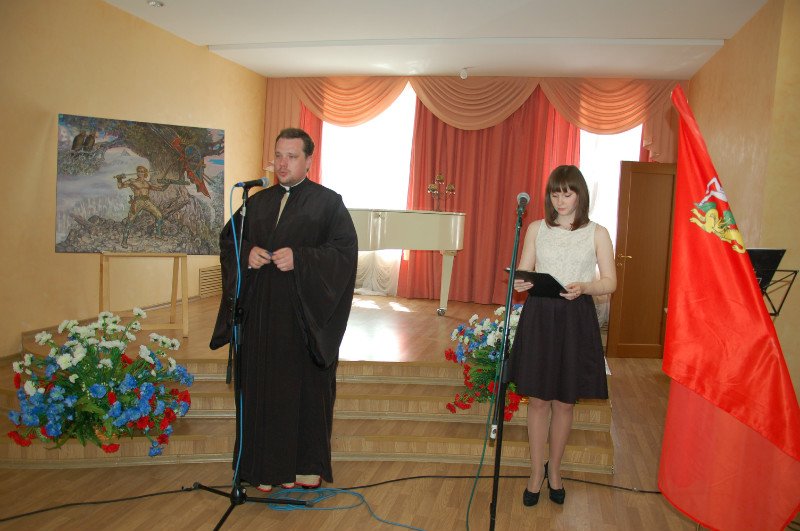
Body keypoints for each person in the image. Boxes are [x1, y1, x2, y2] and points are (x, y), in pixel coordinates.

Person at [210, 128, 358, 492]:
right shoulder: (257, 201)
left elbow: (344, 254)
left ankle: (305, 468)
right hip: (261, 317)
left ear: (308, 160)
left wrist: (302, 258)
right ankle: (263, 468)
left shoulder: (328, 203)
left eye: (292, 156)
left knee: (303, 392)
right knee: (262, 392)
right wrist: (247, 253)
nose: (282, 163)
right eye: (278, 155)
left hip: (303, 319)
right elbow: (230, 241)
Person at [507, 165, 616, 507]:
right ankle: (535, 473)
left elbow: (610, 282)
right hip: (540, 315)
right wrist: (521, 281)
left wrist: (585, 286)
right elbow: (525, 270)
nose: (561, 200)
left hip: (575, 317)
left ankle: (555, 470)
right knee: (539, 400)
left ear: (580, 195)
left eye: (567, 193)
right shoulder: (536, 228)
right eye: (555, 194)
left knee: (565, 402)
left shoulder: (598, 232)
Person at [115, 166, 168, 247]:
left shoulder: (148, 183)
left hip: (147, 201)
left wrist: (168, 183)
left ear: (145, 173)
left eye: (142, 171)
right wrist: (119, 179)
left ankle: (158, 235)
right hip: (137, 202)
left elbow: (161, 189)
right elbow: (120, 186)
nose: (140, 173)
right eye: (138, 171)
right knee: (130, 220)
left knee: (159, 215)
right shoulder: (132, 181)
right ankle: (124, 241)